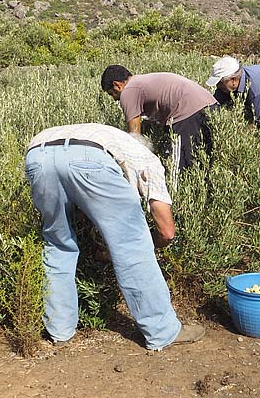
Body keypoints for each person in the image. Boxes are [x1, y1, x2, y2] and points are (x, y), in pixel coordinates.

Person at [24, 124, 205, 351]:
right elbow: (167, 231)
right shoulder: (147, 159)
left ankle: (59, 331)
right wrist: (148, 244)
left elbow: (76, 194)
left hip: (37, 154)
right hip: (89, 157)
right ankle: (162, 331)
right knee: (132, 246)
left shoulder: (112, 139)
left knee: (58, 244)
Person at [100, 65, 218, 171]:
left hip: (187, 113)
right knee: (206, 159)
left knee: (177, 167)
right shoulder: (141, 82)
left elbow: (134, 137)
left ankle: (175, 195)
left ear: (117, 85)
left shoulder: (128, 91)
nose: (115, 99)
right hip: (210, 106)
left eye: (112, 94)